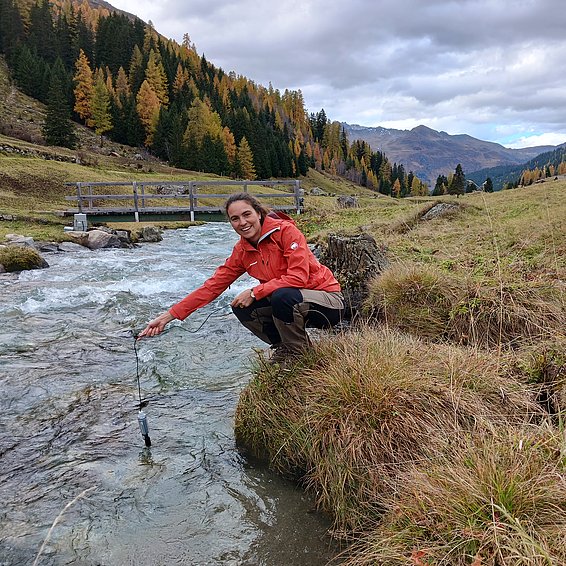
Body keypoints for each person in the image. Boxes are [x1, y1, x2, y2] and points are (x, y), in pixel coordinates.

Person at [138, 193, 344, 364]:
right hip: (293, 302)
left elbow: (298, 277)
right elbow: (211, 288)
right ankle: (285, 348)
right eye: (235, 219)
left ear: (259, 213)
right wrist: (168, 316)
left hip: (327, 301)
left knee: (282, 296)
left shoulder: (286, 232)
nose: (242, 223)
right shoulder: (242, 251)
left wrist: (255, 292)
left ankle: (302, 358)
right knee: (240, 305)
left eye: (247, 214)